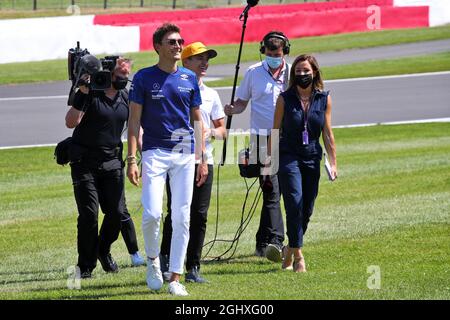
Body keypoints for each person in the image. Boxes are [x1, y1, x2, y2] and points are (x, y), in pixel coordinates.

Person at [127, 23, 207, 296]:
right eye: (172, 41)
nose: (177, 45)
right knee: (152, 213)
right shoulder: (143, 78)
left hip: (185, 153)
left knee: (182, 217)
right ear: (157, 46)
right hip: (154, 152)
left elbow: (197, 119)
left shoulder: (188, 78)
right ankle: (152, 261)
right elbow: (134, 119)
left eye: (180, 41)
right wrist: (131, 159)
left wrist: (203, 158)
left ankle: (175, 276)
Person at [65, 57, 144, 278]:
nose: (124, 80)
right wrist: (82, 92)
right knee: (89, 215)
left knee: (117, 213)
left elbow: (136, 129)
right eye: (120, 76)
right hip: (84, 163)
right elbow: (70, 122)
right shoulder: (91, 93)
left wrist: (141, 156)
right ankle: (86, 266)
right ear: (108, 73)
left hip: (112, 162)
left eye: (127, 77)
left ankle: (103, 249)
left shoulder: (126, 97)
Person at [159, 42, 226, 284]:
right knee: (176, 212)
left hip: (203, 159)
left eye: (206, 58)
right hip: (176, 158)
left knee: (199, 214)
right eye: (198, 58)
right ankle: (165, 259)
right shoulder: (172, 88)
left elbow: (223, 130)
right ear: (185, 62)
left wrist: (210, 134)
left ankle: (193, 266)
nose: (204, 62)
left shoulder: (211, 95)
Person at [224, 31, 290, 261]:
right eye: (270, 54)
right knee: (271, 189)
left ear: (285, 52)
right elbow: (242, 101)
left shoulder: (292, 73)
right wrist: (233, 109)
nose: (274, 58)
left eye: (278, 54)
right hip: (261, 139)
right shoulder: (253, 72)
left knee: (280, 191)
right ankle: (276, 241)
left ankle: (262, 243)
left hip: (286, 138)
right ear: (264, 52)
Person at [268, 54, 337, 272]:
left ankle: (289, 249)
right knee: (294, 203)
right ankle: (299, 257)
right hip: (289, 156)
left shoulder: (324, 98)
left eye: (306, 71)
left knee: (307, 208)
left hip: (312, 156)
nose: (302, 75)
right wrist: (268, 161)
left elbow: (327, 133)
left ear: (314, 72)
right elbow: (275, 131)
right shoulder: (284, 98)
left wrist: (333, 162)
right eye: (298, 71)